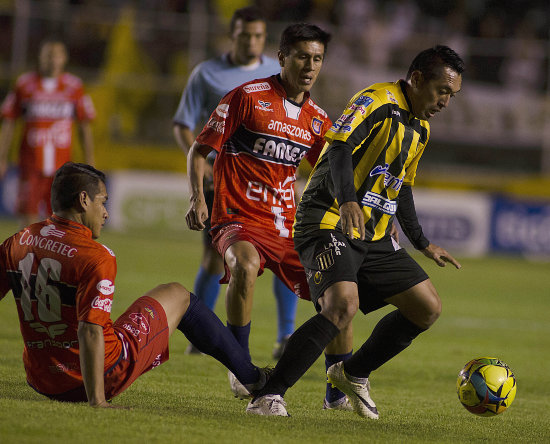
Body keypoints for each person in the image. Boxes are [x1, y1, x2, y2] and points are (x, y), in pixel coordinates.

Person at [247, 45, 464, 417]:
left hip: (374, 234)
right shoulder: (375, 99)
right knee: (342, 305)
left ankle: (352, 373)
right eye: (442, 90)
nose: (445, 101)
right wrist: (347, 200)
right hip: (328, 217)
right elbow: (340, 147)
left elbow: (403, 186)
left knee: (427, 308)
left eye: (452, 95)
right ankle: (268, 395)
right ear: (416, 79)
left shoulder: (421, 130)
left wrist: (423, 243)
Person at [0, 162, 269, 407]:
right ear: (83, 200)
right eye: (103, 202)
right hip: (99, 376)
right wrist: (98, 401)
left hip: (41, 380)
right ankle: (251, 376)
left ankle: (248, 374)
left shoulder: (19, 240)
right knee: (179, 295)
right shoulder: (95, 256)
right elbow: (89, 331)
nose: (105, 212)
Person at [186, 23, 353, 409]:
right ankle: (239, 364)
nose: (310, 66)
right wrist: (198, 198)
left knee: (340, 294)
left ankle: (337, 388)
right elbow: (199, 149)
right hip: (236, 216)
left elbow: (331, 171)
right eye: (302, 57)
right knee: (243, 265)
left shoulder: (316, 119)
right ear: (282, 58)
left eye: (317, 59)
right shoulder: (248, 96)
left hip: (286, 225)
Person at [172, 6, 295, 358]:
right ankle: (200, 333)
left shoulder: (277, 73)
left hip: (269, 184)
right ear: (233, 35)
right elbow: (183, 125)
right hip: (223, 181)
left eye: (258, 36)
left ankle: (285, 335)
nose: (252, 41)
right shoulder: (206, 74)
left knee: (284, 254)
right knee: (216, 258)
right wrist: (201, 163)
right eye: (245, 35)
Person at [0, 39, 95, 228]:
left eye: (56, 55)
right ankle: (27, 257)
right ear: (40, 57)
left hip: (62, 167)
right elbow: (9, 121)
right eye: (48, 55)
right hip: (30, 164)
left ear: (64, 58)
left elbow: (84, 126)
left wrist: (89, 160)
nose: (52, 60)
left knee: (62, 219)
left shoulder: (74, 86)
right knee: (27, 218)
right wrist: (2, 157)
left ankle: (53, 258)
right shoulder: (24, 84)